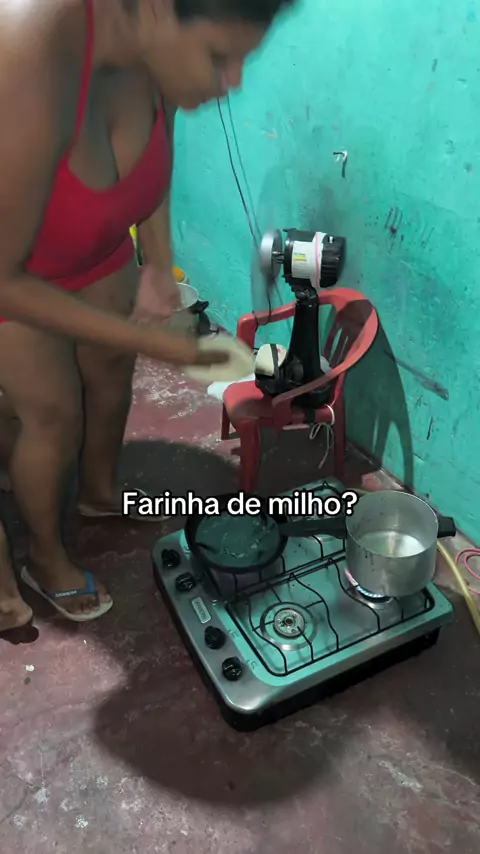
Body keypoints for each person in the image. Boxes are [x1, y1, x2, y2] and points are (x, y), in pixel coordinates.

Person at [0, 0, 294, 628]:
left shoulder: (148, 48)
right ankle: (45, 559)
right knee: (52, 416)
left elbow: (155, 157)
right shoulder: (30, 51)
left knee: (111, 376)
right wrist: (167, 346)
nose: (233, 82)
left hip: (93, 242)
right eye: (219, 56)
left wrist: (158, 263)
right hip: (12, 272)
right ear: (158, 8)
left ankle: (99, 494)